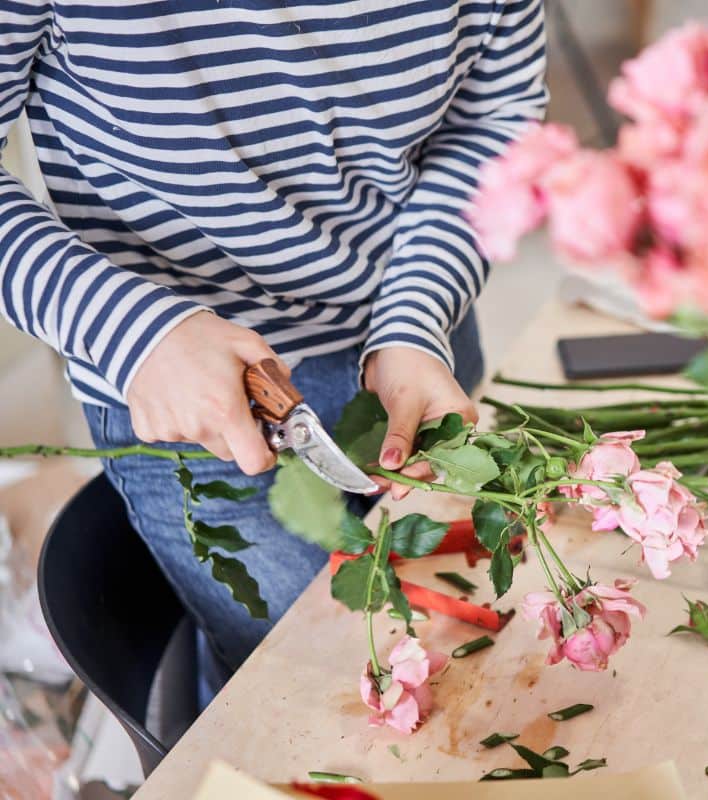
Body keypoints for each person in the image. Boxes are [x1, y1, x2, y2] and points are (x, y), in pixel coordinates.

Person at [0, 0, 547, 696]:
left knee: (465, 670)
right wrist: (136, 334)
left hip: (416, 352)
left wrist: (416, 315)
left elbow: (493, 122)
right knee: (321, 702)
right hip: (195, 403)